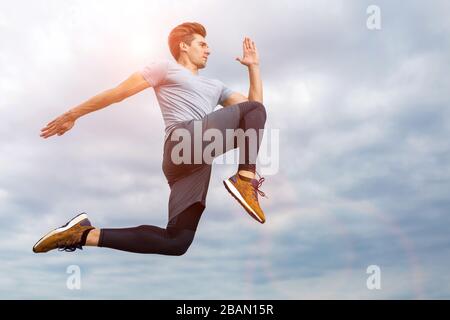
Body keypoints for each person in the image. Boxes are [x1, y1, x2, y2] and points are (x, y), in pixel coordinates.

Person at [33, 22, 268, 255]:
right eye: (202, 44)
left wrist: (253, 67)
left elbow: (255, 110)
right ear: (184, 46)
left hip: (196, 163)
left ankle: (82, 234)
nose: (208, 50)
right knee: (253, 112)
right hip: (181, 141)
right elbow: (118, 93)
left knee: (177, 242)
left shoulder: (216, 86)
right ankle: (245, 181)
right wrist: (73, 114)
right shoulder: (164, 68)